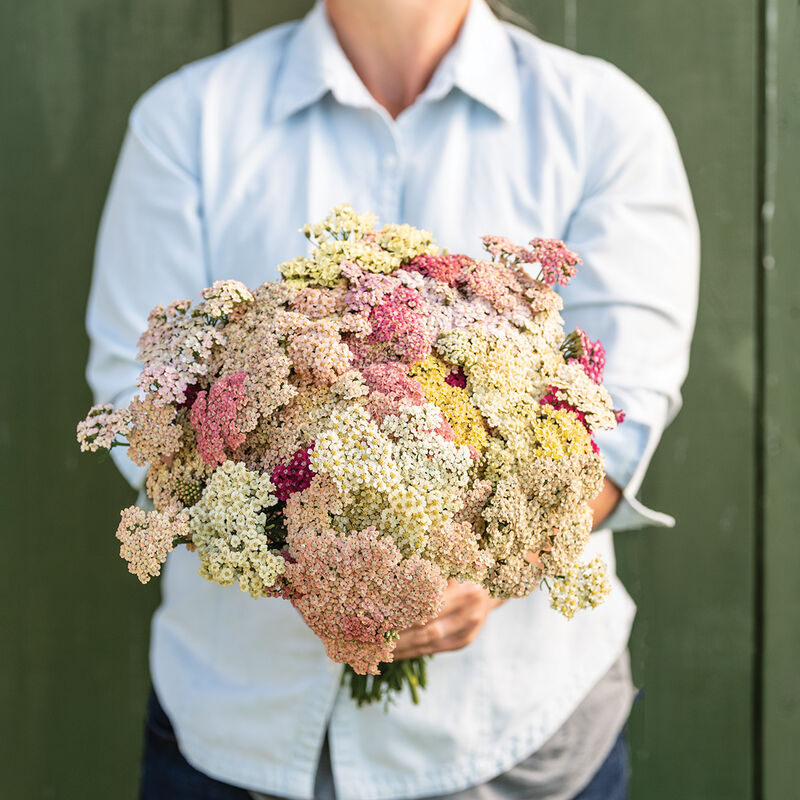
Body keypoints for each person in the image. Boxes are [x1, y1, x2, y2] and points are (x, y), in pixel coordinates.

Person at [85, 1, 699, 798]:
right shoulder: (188, 120)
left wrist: (495, 565)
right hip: (240, 727)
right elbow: (137, 388)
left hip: (513, 736)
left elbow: (623, 409)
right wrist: (301, 567)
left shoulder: (601, 118)